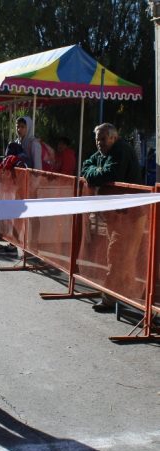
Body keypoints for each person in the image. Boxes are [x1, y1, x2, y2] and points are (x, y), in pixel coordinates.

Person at [81, 122, 144, 312]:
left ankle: (110, 299)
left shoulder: (121, 150)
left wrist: (96, 174)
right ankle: (127, 297)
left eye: (103, 139)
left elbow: (110, 173)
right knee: (122, 256)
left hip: (129, 215)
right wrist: (96, 172)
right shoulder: (105, 153)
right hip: (118, 215)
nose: (99, 143)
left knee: (117, 255)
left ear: (113, 137)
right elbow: (86, 166)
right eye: (97, 140)